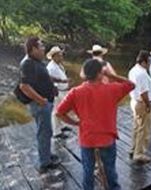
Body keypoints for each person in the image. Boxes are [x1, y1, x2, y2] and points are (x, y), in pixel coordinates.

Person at [56, 59, 135, 190]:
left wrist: (75, 123)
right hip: (107, 139)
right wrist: (110, 75)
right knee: (110, 172)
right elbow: (131, 84)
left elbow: (59, 113)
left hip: (87, 139)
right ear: (100, 73)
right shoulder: (112, 89)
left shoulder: (75, 92)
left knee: (88, 172)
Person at [19, 36, 60, 173]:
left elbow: (44, 76)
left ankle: (46, 154)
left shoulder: (37, 61)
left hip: (45, 103)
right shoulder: (27, 63)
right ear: (33, 49)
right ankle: (45, 162)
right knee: (44, 132)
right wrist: (41, 100)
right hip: (40, 105)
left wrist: (59, 80)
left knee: (46, 131)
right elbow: (24, 86)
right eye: (41, 46)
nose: (43, 49)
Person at [128, 50, 151, 163]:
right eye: (149, 62)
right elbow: (144, 92)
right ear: (143, 62)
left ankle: (134, 149)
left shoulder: (133, 70)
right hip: (143, 103)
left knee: (137, 127)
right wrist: (148, 105)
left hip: (135, 102)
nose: (150, 64)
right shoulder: (142, 73)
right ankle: (139, 154)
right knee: (144, 130)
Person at [46, 46, 71, 139]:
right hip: (57, 92)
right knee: (56, 111)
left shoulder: (58, 65)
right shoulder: (51, 67)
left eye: (61, 55)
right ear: (54, 56)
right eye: (59, 55)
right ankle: (56, 132)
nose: (61, 57)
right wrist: (55, 89)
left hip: (63, 90)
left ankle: (62, 126)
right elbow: (49, 80)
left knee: (63, 109)